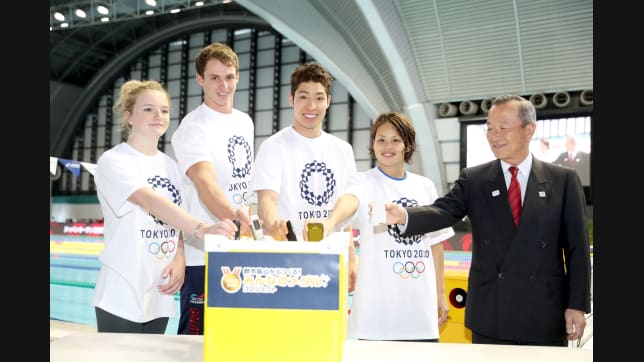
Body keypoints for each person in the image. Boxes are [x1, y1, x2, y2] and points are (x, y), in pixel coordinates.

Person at [383, 95, 591, 347]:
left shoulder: (563, 180)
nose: (494, 136)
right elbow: (444, 211)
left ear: (529, 130)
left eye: (503, 128)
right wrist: (405, 216)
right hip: (491, 312)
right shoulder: (475, 179)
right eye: (490, 129)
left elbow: (577, 249)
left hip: (544, 311)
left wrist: (577, 305)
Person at [93, 79, 238, 334]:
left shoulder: (170, 166)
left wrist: (180, 256)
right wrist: (202, 228)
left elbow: (173, 218)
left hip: (159, 289)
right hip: (123, 289)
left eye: (164, 110)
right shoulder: (115, 161)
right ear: (129, 116)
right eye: (148, 109)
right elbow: (149, 200)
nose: (158, 115)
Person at [315, 112, 454, 341]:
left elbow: (436, 245)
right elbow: (350, 200)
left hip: (419, 311)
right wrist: (331, 221)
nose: (387, 146)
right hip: (375, 317)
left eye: (395, 140)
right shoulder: (363, 181)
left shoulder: (424, 186)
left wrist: (440, 294)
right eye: (381, 139)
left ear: (407, 145)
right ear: (373, 145)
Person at [171, 42, 254, 335]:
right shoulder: (193, 127)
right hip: (203, 256)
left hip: (240, 250)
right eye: (215, 78)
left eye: (229, 77)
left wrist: (249, 227)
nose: (224, 85)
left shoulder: (244, 121)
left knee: (234, 340)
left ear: (238, 77)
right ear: (200, 79)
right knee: (196, 344)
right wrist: (240, 221)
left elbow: (244, 184)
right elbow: (206, 184)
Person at [250, 61, 357, 242]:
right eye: (303, 97)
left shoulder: (343, 150)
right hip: (289, 253)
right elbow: (266, 201)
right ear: (291, 99)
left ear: (328, 101)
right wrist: (275, 224)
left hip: (332, 254)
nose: (311, 106)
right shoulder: (273, 147)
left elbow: (349, 203)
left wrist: (350, 254)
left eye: (319, 98)